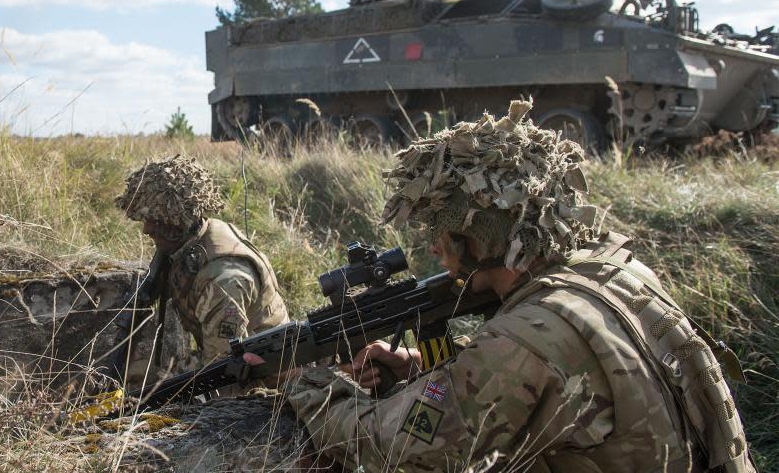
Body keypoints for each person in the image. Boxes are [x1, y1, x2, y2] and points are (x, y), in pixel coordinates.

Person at [249, 100, 755, 472]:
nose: (434, 254)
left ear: (470, 242)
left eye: (441, 240)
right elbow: (556, 376)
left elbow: (398, 448)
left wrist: (311, 388)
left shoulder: (520, 343)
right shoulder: (614, 272)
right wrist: (422, 368)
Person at [115, 154, 290, 370]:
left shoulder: (223, 282)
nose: (146, 229)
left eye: (155, 220)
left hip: (269, 376)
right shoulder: (193, 238)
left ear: (177, 221)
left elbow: (224, 370)